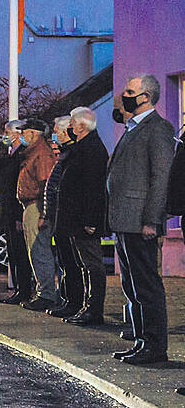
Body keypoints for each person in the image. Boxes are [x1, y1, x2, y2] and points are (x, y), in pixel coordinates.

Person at [108, 74, 174, 365]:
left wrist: (152, 219)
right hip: (124, 219)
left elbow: (161, 178)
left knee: (146, 284)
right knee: (131, 285)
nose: (124, 95)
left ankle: (155, 346)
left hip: (139, 220)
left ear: (145, 96)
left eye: (130, 91)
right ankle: (140, 339)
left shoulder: (157, 129)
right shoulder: (132, 128)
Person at [60, 107, 109, 326]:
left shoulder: (92, 150)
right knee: (84, 263)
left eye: (71, 123)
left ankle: (93, 309)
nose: (69, 127)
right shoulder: (83, 148)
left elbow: (93, 187)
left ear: (81, 126)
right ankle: (86, 307)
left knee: (92, 265)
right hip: (77, 217)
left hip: (84, 219)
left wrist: (90, 220)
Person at [40, 116, 83, 319]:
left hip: (67, 217)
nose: (54, 134)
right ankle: (67, 299)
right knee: (65, 262)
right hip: (59, 217)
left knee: (72, 263)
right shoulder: (64, 155)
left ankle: (74, 301)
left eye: (57, 130)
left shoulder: (72, 154)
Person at [16, 118, 58, 311]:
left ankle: (46, 294)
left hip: (36, 206)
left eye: (25, 132)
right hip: (32, 206)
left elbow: (45, 185)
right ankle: (43, 291)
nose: (22, 136)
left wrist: (43, 213)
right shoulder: (34, 153)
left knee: (39, 251)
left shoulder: (40, 154)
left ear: (34, 133)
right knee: (36, 251)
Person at [0, 120, 34, 304]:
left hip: (16, 212)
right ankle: (20, 289)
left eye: (6, 132)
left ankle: (25, 290)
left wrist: (20, 216)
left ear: (16, 134)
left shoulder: (22, 156)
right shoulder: (13, 154)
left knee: (20, 253)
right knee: (13, 252)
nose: (4, 135)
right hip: (9, 212)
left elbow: (22, 187)